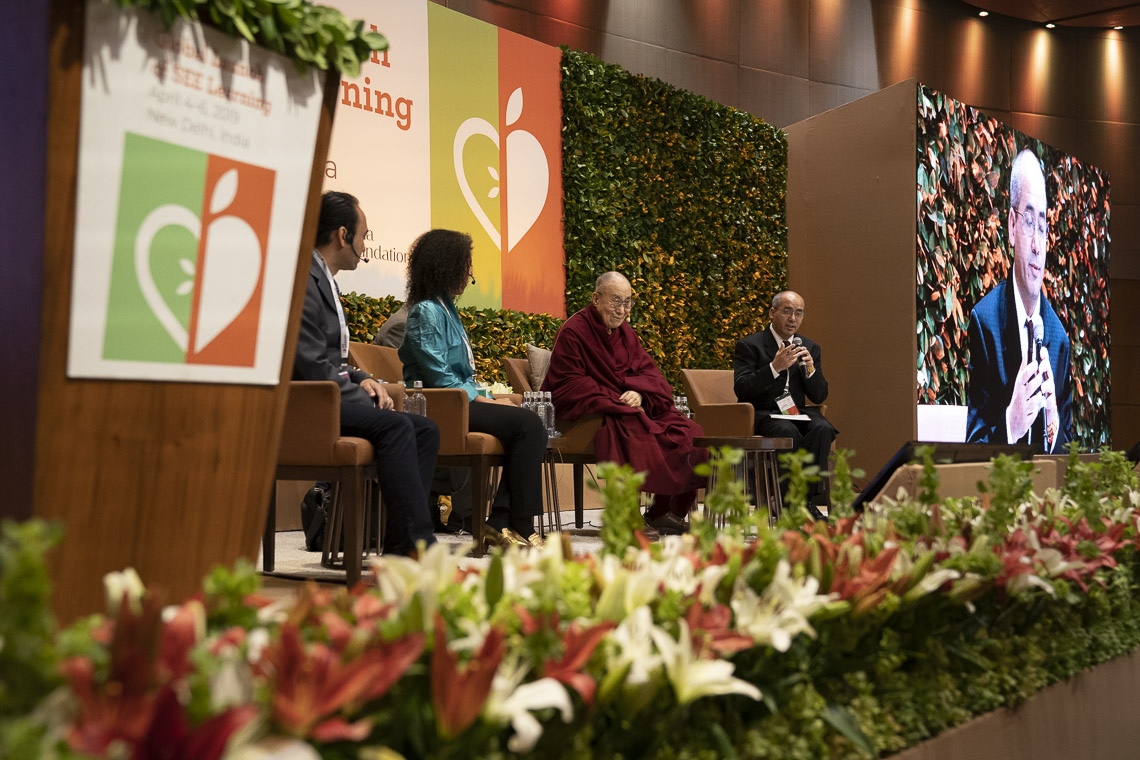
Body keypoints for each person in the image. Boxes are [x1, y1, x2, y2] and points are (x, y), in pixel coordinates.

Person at [293, 191, 439, 557]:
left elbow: (332, 359)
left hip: (330, 395)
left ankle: (398, 544)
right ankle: (418, 546)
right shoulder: (303, 280)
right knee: (398, 425)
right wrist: (361, 395)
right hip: (309, 405)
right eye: (363, 235)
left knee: (425, 430)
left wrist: (361, 379)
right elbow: (309, 363)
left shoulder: (323, 277)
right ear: (343, 235)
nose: (364, 244)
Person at [398, 229, 548, 549]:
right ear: (446, 266)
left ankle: (500, 523)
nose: (469, 275)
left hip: (459, 400)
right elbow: (440, 377)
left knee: (527, 419)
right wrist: (481, 398)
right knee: (529, 424)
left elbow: (462, 374)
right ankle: (516, 522)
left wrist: (493, 397)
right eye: (465, 266)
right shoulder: (426, 311)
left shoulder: (446, 308)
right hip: (439, 406)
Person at [543, 272, 707, 536]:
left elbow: (649, 374)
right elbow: (569, 383)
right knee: (629, 421)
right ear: (596, 299)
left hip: (630, 404)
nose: (622, 310)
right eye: (615, 301)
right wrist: (617, 399)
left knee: (688, 429)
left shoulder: (625, 334)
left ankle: (665, 512)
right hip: (593, 412)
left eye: (627, 303)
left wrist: (640, 394)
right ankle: (626, 515)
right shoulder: (574, 330)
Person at [967, 148, 1072, 453]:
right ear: (1012, 226)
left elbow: (1070, 459)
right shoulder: (985, 323)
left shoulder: (1059, 338)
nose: (1038, 246)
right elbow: (973, 447)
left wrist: (1052, 416)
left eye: (1043, 226)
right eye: (1028, 222)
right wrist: (1011, 425)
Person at [733, 290, 836, 518]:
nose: (793, 319)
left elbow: (819, 396)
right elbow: (742, 388)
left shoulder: (809, 347)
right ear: (772, 312)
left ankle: (806, 501)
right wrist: (774, 368)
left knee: (823, 428)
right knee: (787, 431)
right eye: (787, 311)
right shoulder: (750, 345)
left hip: (795, 412)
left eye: (799, 313)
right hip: (764, 413)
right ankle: (785, 504)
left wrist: (810, 372)